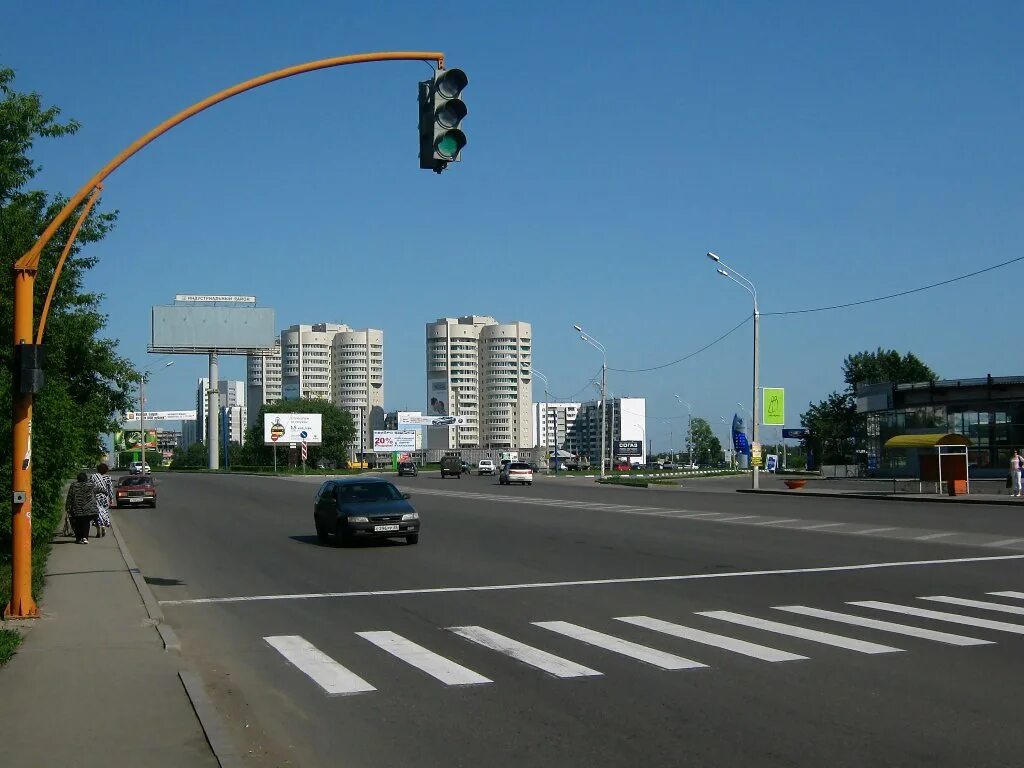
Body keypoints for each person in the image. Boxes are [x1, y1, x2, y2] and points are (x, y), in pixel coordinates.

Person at [66, 472, 97, 544]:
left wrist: (67, 506)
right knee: (86, 522)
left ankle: (78, 538)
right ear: (86, 478)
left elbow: (70, 496)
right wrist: (105, 492)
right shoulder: (91, 485)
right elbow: (99, 490)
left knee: (77, 523)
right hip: (88, 508)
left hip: (77, 508)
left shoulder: (74, 485)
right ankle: (85, 537)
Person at [89, 462, 115, 537]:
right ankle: (103, 525)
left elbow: (90, 487)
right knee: (104, 512)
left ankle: (98, 529)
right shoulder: (108, 477)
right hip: (104, 497)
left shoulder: (93, 476)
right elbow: (110, 489)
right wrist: (111, 498)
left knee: (96, 513)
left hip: (96, 497)